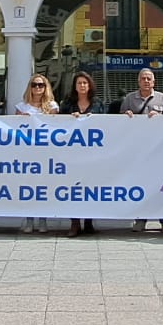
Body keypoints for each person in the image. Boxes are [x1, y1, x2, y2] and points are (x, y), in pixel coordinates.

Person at [121, 68, 163, 231]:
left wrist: (160, 118)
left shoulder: (162, 98)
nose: (146, 81)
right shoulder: (129, 99)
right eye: (143, 78)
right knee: (140, 184)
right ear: (138, 81)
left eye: (149, 78)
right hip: (138, 150)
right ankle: (140, 219)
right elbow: (119, 122)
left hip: (159, 149)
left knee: (161, 184)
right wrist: (126, 115)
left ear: (154, 82)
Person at [60, 71, 105, 237]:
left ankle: (88, 222)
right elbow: (58, 124)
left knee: (91, 187)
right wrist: (69, 118)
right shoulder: (67, 104)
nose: (82, 86)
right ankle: (74, 223)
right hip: (72, 154)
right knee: (73, 188)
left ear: (90, 85)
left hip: (92, 154)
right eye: (79, 83)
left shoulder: (98, 104)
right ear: (75, 86)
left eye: (85, 83)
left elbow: (107, 124)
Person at [15, 74, 60, 232]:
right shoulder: (22, 106)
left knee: (43, 186)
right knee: (28, 186)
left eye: (41, 85)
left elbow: (56, 127)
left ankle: (43, 219)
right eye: (34, 85)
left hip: (45, 152)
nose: (38, 88)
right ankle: (28, 219)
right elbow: (15, 128)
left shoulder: (52, 106)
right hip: (27, 152)